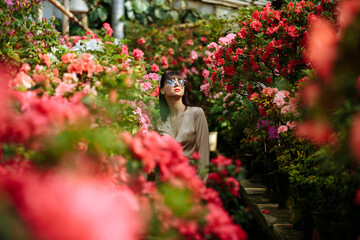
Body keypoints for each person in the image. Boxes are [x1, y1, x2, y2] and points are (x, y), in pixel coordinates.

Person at [155, 70, 209, 180]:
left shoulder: (196, 114)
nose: (176, 84)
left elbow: (203, 158)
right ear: (162, 90)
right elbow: (159, 163)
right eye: (171, 81)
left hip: (191, 184)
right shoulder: (159, 123)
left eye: (180, 81)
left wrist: (200, 188)